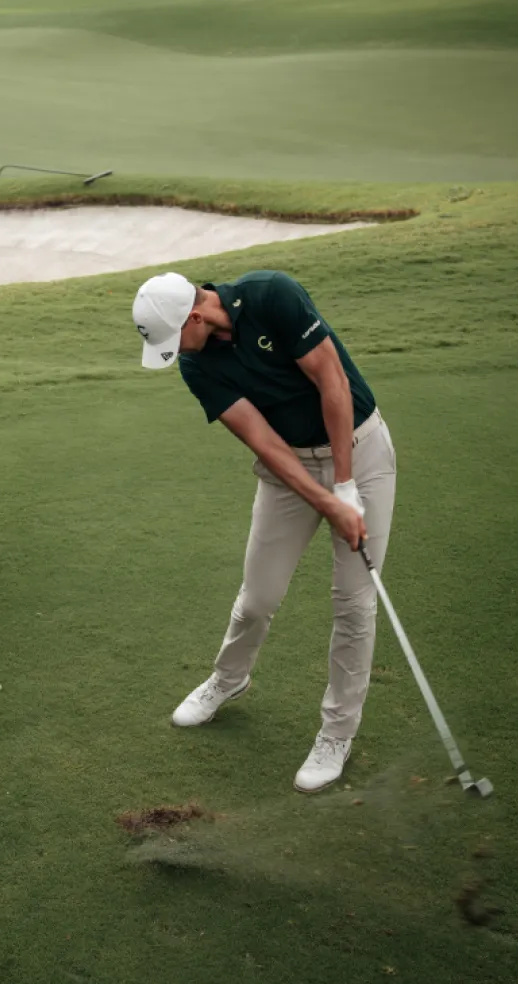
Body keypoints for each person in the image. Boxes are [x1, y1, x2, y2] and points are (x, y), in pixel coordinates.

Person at [133, 269, 396, 792]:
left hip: (361, 452)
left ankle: (337, 733)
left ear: (195, 316)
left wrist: (345, 486)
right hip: (287, 468)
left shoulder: (273, 294)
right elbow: (265, 443)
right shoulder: (195, 364)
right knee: (257, 598)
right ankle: (228, 680)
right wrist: (327, 500)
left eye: (173, 337)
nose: (174, 351)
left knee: (354, 604)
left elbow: (332, 381)